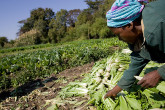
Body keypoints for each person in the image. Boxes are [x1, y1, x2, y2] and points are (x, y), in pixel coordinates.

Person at [104, 0, 165, 99]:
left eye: (118, 34)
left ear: (129, 25)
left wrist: (159, 73)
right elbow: (139, 57)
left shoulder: (159, 25)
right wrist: (117, 89)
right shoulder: (140, 34)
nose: (119, 39)